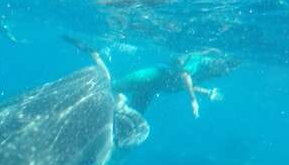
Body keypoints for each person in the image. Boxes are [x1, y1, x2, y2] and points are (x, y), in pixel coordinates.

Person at [63, 36, 238, 117]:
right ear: (220, 62)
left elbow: (187, 84)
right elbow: (185, 75)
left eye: (228, 73)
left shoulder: (206, 73)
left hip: (153, 88)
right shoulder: (200, 59)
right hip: (153, 76)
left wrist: (205, 93)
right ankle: (94, 54)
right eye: (225, 69)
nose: (225, 74)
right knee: (110, 87)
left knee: (132, 116)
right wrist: (193, 99)